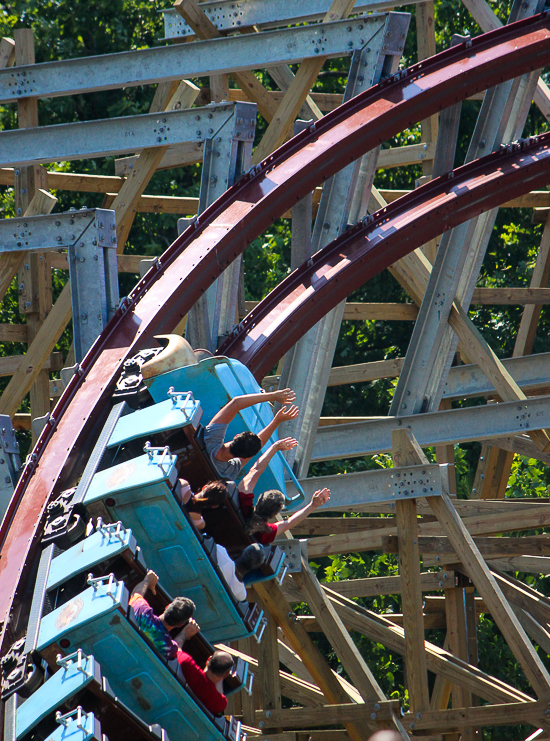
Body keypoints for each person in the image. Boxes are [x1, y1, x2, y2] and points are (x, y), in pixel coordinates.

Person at [201, 387, 299, 480]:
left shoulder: (210, 440)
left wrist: (273, 396)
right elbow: (255, 447)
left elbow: (236, 403)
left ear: (236, 436)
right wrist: (276, 421)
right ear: (245, 457)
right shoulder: (228, 472)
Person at [129, 570, 198, 660]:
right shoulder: (168, 648)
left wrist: (147, 581)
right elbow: (178, 653)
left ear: (167, 606)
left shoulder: (144, 614)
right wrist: (185, 634)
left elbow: (136, 595)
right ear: (180, 625)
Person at [177, 643, 234, 715]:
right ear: (226, 674)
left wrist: (184, 635)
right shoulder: (219, 702)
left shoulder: (186, 663)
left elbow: (174, 648)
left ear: (209, 659)